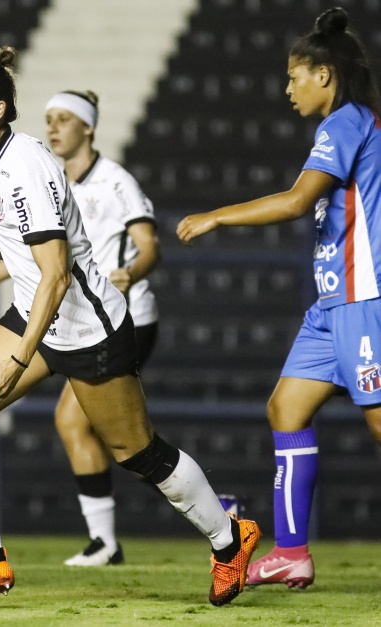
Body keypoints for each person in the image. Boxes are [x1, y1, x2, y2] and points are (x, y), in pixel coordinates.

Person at [0, 46, 260, 607]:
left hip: (86, 326)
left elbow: (56, 277)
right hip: (38, 314)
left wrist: (17, 359)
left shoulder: (25, 165)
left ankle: (230, 540)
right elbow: (18, 254)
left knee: (137, 453)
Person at [177, 7, 381, 590]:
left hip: (364, 300)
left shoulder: (346, 122)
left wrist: (216, 216)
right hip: (330, 307)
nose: (287, 88)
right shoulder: (342, 126)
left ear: (324, 73)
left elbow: (296, 201)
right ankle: (291, 552)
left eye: (294, 76)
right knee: (285, 410)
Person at [0, 89, 160, 567]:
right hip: (53, 314)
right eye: (50, 118)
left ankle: (212, 518)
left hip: (109, 317)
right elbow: (28, 259)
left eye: (65, 118)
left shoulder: (107, 181)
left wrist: (132, 273)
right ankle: (2, 555)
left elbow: (143, 248)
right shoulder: (19, 171)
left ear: (89, 127)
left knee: (131, 447)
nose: (54, 126)